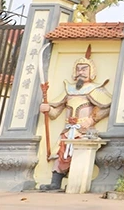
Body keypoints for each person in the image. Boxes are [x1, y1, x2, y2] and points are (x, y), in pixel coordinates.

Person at [37, 48, 112, 192]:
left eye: (84, 69)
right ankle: (55, 183)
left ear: (91, 72)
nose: (81, 73)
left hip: (83, 130)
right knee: (61, 154)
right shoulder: (68, 89)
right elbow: (55, 112)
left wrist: (91, 120)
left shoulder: (95, 89)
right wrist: (47, 109)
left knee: (79, 155)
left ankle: (76, 183)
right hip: (67, 129)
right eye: (78, 70)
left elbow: (106, 107)